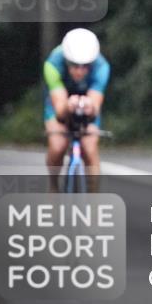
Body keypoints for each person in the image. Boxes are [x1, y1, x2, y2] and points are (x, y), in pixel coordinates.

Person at [43, 28, 110, 192]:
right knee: (58, 146)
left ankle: (94, 200)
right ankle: (53, 186)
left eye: (86, 66)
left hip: (88, 102)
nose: (80, 71)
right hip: (60, 100)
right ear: (66, 60)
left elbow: (95, 106)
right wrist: (67, 105)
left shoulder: (102, 67)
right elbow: (59, 110)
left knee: (90, 147)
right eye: (74, 65)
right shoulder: (52, 64)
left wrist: (90, 107)